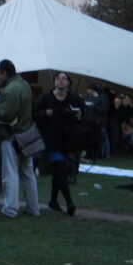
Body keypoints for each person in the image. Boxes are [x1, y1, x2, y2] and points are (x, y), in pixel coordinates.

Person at [0, 59, 39, 218]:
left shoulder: (10, 90)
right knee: (28, 173)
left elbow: (4, 113)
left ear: (4, 73)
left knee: (10, 173)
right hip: (27, 133)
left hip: (11, 136)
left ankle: (10, 209)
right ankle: (33, 208)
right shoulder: (23, 84)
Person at [34, 71, 82, 216]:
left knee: (58, 170)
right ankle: (69, 203)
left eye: (64, 78)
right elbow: (35, 114)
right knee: (60, 166)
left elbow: (81, 114)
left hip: (67, 140)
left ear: (68, 82)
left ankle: (53, 201)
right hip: (51, 140)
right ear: (54, 81)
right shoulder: (46, 98)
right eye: (57, 78)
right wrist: (45, 114)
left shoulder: (73, 98)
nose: (60, 81)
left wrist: (79, 116)